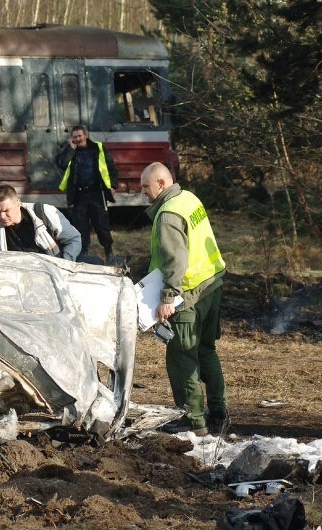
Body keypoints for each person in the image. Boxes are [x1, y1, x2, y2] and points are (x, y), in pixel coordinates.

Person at [140, 162, 228, 436]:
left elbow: (175, 261)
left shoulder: (167, 215)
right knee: (206, 350)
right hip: (211, 286)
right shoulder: (188, 198)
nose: (143, 192)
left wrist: (168, 297)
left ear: (162, 184)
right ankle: (220, 412)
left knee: (182, 358)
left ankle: (194, 421)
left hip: (187, 295)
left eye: (146, 187)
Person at [55, 125, 119, 259]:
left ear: (86, 135)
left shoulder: (98, 148)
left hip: (96, 193)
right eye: (74, 137)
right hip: (79, 195)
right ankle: (83, 252)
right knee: (81, 226)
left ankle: (108, 250)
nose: (77, 139)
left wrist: (113, 185)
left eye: (79, 136)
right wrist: (70, 149)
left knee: (102, 225)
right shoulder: (70, 151)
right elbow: (61, 163)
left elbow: (111, 167)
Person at [0, 184, 81, 261]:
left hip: (51, 273)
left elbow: (73, 239)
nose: (2, 216)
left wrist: (64, 265)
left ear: (18, 203)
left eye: (6, 211)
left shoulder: (44, 213)